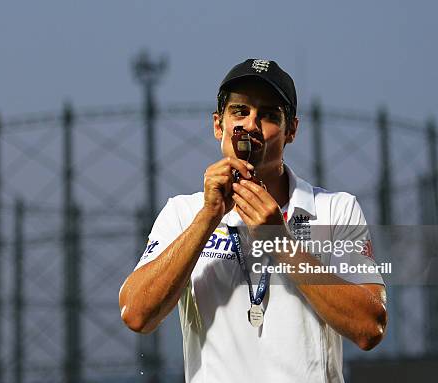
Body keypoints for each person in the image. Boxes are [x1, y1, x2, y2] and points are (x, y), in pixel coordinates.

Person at [119, 59, 387, 382]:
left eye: (270, 115)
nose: (251, 124)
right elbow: (135, 313)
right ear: (219, 125)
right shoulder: (182, 213)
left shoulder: (336, 210)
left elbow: (370, 327)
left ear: (291, 130)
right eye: (240, 111)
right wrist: (207, 218)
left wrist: (280, 240)